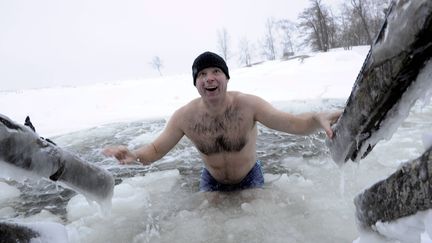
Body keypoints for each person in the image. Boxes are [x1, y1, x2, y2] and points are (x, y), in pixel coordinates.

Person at [103, 51, 341, 192]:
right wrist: (134, 155)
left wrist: (316, 119)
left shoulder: (249, 106)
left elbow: (292, 124)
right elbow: (155, 149)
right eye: (202, 74)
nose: (209, 79)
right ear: (196, 83)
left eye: (215, 71)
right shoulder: (185, 117)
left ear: (226, 77)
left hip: (250, 176)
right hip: (212, 180)